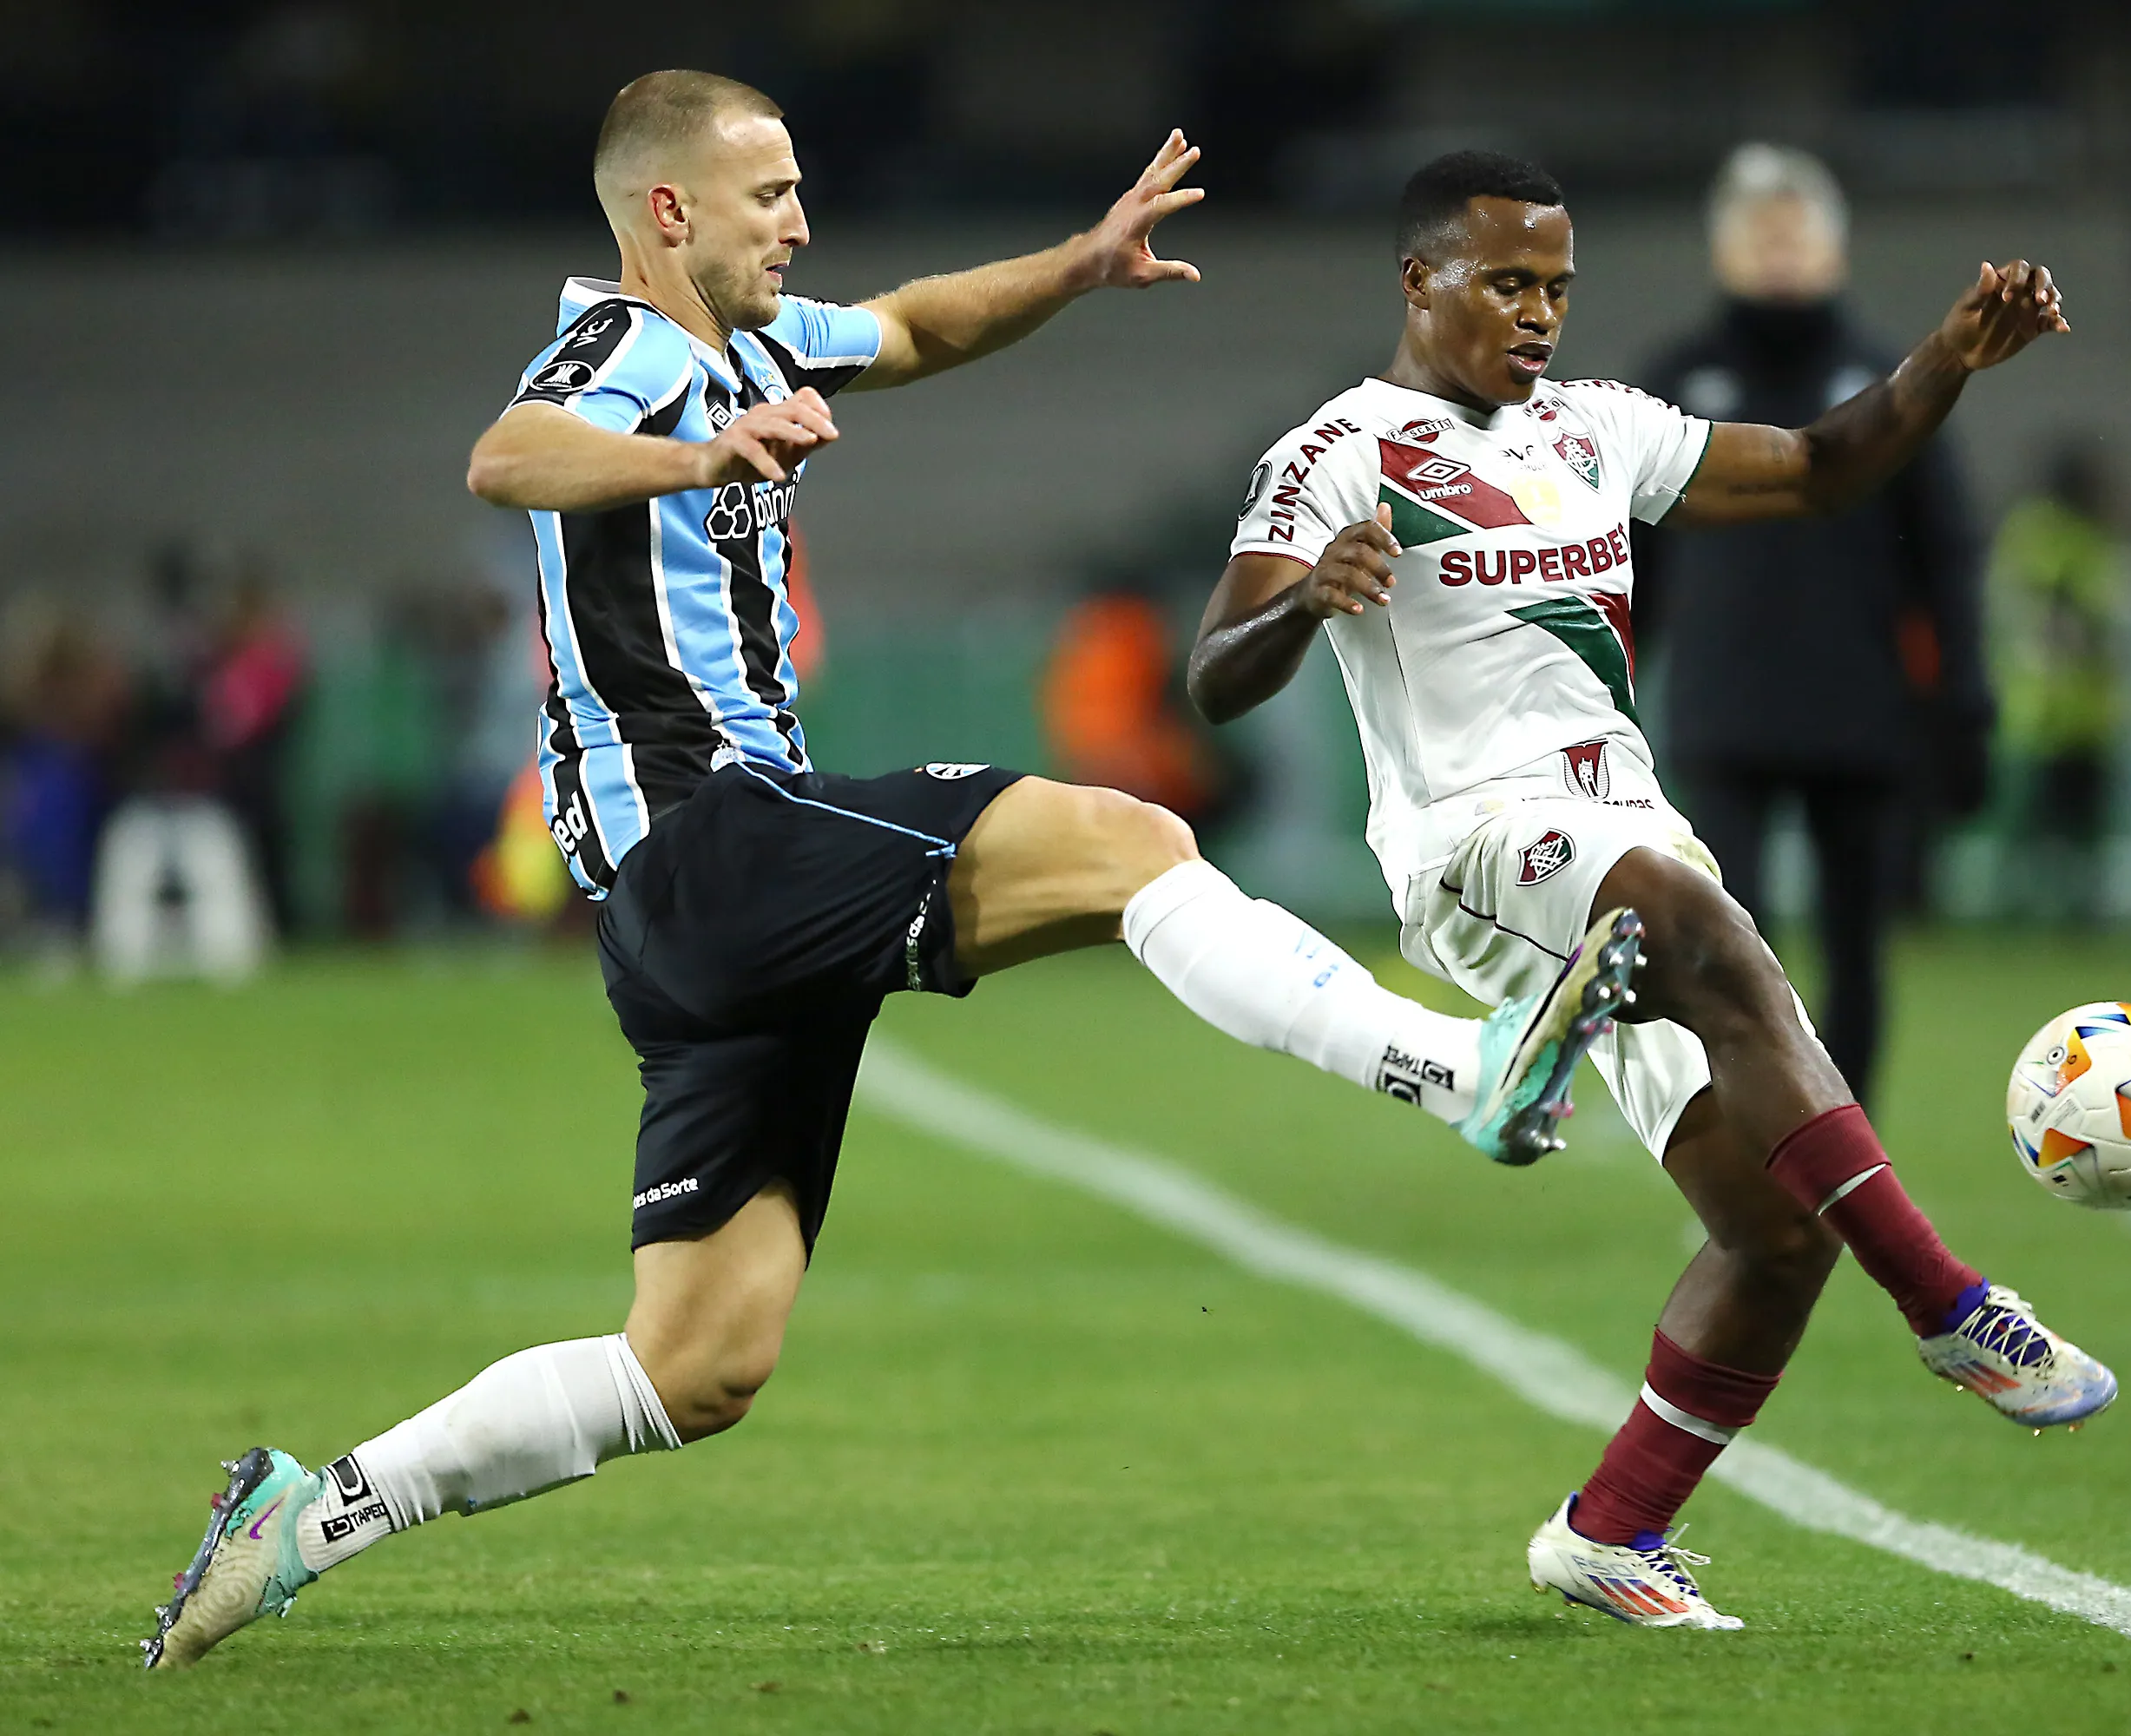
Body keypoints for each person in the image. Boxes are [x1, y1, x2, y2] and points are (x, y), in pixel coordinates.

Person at [145, 75, 1636, 1670]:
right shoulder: (626, 351)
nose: (799, 221)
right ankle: (1463, 1072)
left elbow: (916, 328)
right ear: (668, 213)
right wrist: (697, 458)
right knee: (1127, 841)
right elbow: (505, 457)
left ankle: (306, 1516)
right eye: (768, 194)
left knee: (696, 1364)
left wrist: (1076, 263)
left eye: (798, 190)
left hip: (694, 911)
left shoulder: (764, 339)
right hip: (711, 839)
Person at [1190, 150, 2105, 1632]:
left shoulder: (1597, 429)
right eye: (1507, 283)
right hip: (1477, 850)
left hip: (1628, 835)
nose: (1539, 314)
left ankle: (1616, 1531)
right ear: (1419, 281)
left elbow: (1820, 466)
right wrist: (1306, 596)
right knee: (1698, 927)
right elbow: (1214, 675)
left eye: (1556, 287)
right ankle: (1951, 1306)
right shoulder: (1342, 450)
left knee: (1774, 1229)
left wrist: (1947, 358)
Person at [1635, 144, 1991, 1101]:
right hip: (1723, 711)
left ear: (1834, 250)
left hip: (1860, 710)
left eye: (1795, 231)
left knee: (1857, 952)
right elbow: (1627, 566)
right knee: (1727, 954)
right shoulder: (1674, 380)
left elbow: (1945, 551)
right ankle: (1760, 1163)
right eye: (1759, 232)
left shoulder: (1893, 379)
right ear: (1723, 250)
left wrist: (1963, 700)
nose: (1778, 251)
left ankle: (1850, 1161)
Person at [1987, 437, 2127, 924]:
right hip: (2048, 713)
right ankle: (2028, 911)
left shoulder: (2049, 534)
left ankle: (2063, 913)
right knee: (2038, 829)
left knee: (2069, 830)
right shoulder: (2053, 536)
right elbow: (2068, 615)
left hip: (2068, 712)